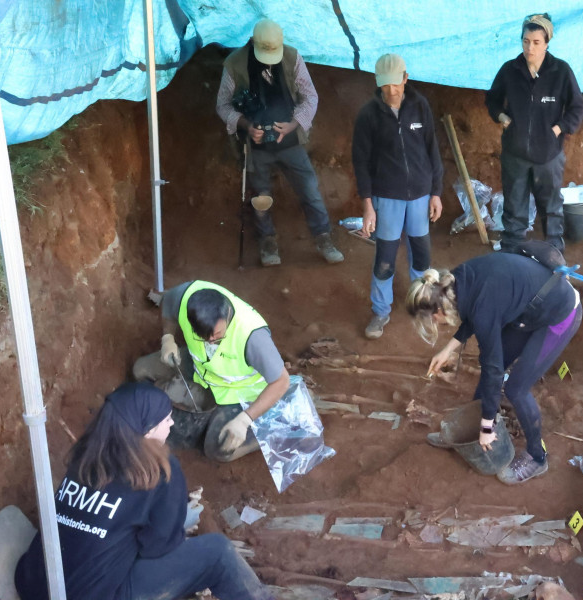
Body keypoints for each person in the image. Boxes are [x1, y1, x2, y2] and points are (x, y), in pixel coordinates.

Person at [14, 382, 273, 600]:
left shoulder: (85, 454)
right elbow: (159, 547)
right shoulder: (158, 469)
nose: (171, 424)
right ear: (147, 429)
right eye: (166, 419)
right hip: (99, 594)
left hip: (34, 584)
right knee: (217, 552)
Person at [406, 251, 582, 484]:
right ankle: (466, 431)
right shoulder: (454, 280)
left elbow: (493, 367)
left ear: (438, 311)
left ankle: (537, 457)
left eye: (432, 320)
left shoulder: (482, 309)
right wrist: (449, 348)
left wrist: (487, 427)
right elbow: (470, 309)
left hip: (559, 314)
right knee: (491, 370)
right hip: (528, 309)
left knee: (516, 389)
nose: (435, 324)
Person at [216, 18, 343, 266]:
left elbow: (310, 97)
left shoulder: (292, 57)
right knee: (261, 196)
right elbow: (222, 105)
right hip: (257, 146)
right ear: (252, 42)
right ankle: (267, 242)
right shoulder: (234, 64)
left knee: (310, 191)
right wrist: (247, 126)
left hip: (290, 140)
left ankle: (324, 238)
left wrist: (295, 124)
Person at [133, 280, 290, 463]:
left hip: (237, 392)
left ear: (228, 314)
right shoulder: (185, 296)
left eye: (217, 336)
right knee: (140, 370)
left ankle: (264, 430)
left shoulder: (253, 337)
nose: (210, 342)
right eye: (203, 337)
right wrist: (168, 338)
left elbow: (281, 381)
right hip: (200, 367)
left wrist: (244, 420)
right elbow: (168, 303)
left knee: (219, 447)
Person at [353, 53, 444, 339]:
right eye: (385, 86)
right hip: (387, 197)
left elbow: (433, 151)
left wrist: (436, 193)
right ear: (378, 84)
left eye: (396, 84)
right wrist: (368, 205)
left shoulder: (420, 106)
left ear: (405, 78)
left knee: (422, 255)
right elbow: (361, 162)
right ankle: (381, 311)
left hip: (419, 194)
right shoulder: (369, 115)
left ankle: (423, 304)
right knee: (385, 258)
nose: (391, 91)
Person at [484, 13, 583, 254]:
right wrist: (502, 117)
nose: (530, 47)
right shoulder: (510, 70)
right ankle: (512, 261)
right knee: (514, 212)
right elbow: (492, 99)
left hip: (549, 156)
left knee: (551, 211)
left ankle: (553, 260)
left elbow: (577, 106)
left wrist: (559, 128)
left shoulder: (560, 71)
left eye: (536, 42)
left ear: (547, 43)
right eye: (526, 41)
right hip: (515, 154)